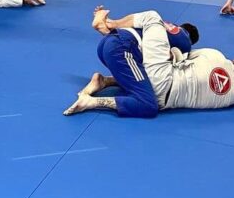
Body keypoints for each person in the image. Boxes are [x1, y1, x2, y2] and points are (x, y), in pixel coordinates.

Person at [64, 10, 234, 116]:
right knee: (146, 91)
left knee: (152, 17)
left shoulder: (215, 55)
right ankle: (103, 86)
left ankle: (109, 26)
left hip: (143, 65)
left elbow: (181, 57)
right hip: (164, 97)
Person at [59, 7, 198, 118]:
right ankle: (91, 102)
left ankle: (104, 81)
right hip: (122, 50)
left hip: (110, 44)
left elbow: (136, 20)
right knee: (147, 104)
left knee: (146, 76)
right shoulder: (184, 40)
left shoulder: (162, 25)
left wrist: (113, 24)